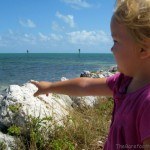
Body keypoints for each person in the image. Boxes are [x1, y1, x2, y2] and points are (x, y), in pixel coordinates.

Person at [31, 0, 150, 149]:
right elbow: (85, 86)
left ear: (144, 49)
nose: (111, 49)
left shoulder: (147, 102)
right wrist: (49, 86)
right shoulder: (123, 83)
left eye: (116, 41)